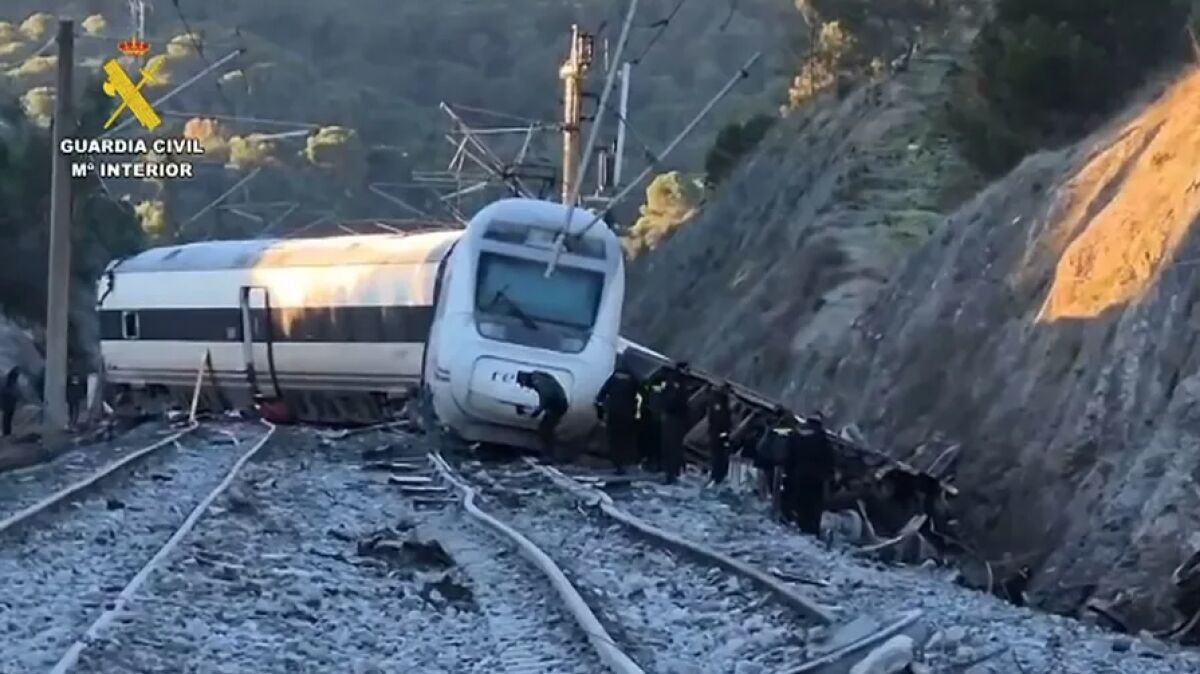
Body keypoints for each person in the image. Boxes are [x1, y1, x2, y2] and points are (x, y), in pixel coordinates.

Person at [783, 413, 837, 536]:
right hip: (815, 482)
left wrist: (788, 475)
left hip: (796, 478)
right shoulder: (823, 439)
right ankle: (811, 533)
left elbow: (787, 459)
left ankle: (796, 529)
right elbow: (829, 463)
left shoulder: (794, 435)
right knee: (812, 513)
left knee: (797, 508)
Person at [595, 360, 640, 474]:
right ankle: (624, 463)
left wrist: (601, 410)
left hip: (613, 412)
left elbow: (601, 395)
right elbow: (639, 395)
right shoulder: (634, 379)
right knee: (624, 438)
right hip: (627, 414)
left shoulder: (613, 378)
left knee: (614, 438)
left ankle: (617, 463)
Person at [517, 370, 568, 461]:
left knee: (545, 430)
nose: (527, 387)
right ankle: (548, 454)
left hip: (558, 405)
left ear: (524, 380)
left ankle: (549, 456)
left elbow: (545, 396)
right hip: (556, 405)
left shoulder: (537, 380)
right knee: (545, 429)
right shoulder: (538, 377)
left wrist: (538, 411)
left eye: (524, 384)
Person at [658, 362, 690, 484]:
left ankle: (670, 471)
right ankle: (671, 473)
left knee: (670, 444)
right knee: (673, 446)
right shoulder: (677, 382)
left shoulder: (672, 380)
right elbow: (676, 400)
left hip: (671, 417)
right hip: (675, 417)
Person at [706, 382, 733, 485]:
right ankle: (716, 477)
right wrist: (724, 435)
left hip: (717, 433)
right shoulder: (719, 402)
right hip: (718, 434)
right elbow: (720, 420)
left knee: (719, 456)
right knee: (719, 456)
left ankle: (717, 477)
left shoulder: (720, 401)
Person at [1, 367, 20, 437]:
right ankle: (6, 433)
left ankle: (7, 433)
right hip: (8, 403)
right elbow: (4, 391)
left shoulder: (12, 381)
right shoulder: (8, 381)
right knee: (7, 418)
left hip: (10, 403)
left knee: (8, 418)